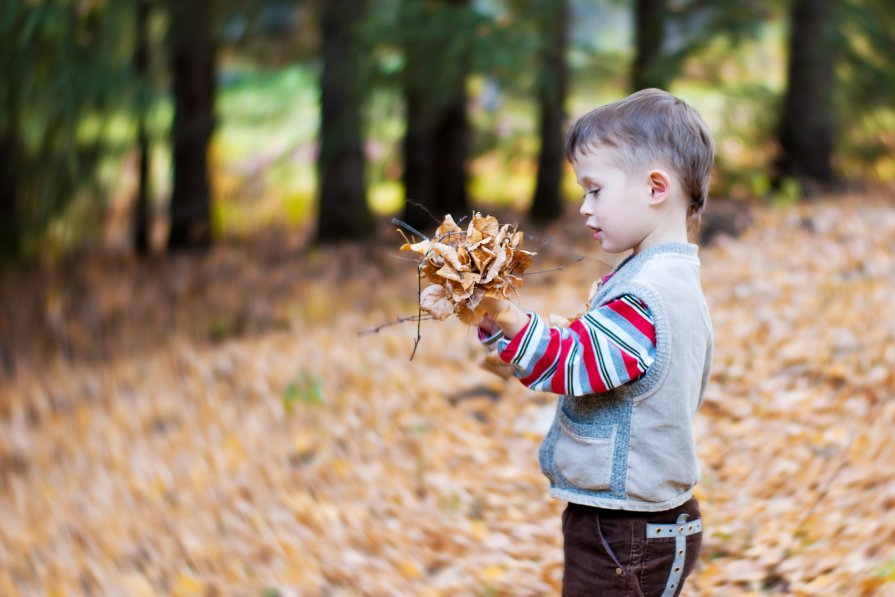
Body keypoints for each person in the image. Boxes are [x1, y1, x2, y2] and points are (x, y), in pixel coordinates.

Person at [476, 88, 715, 596]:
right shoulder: (666, 277)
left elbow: (571, 361)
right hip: (635, 524)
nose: (584, 207)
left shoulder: (646, 295)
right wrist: (503, 330)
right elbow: (591, 356)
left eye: (595, 190)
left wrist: (510, 315)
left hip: (623, 531)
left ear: (655, 188)